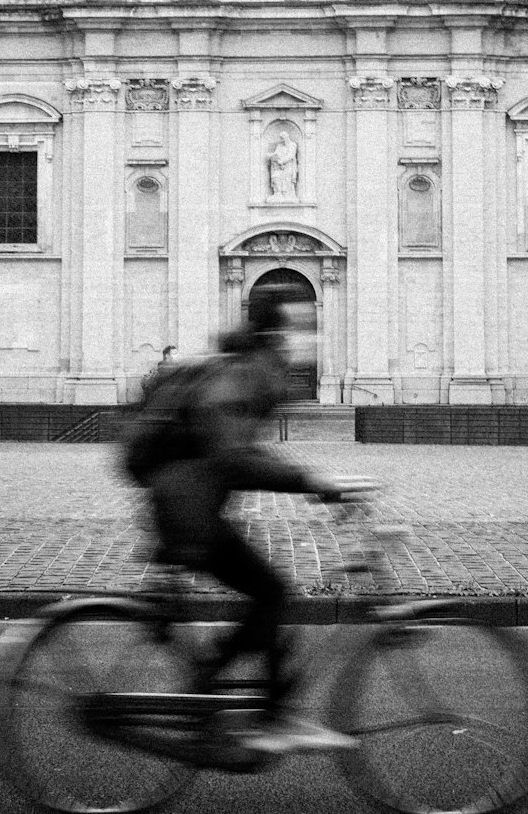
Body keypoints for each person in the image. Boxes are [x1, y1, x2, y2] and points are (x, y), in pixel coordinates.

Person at [130, 285, 367, 755]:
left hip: (189, 504)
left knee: (265, 590)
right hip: (186, 511)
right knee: (273, 591)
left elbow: (239, 452)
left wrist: (316, 482)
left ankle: (224, 685)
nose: (304, 342)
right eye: (296, 331)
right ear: (273, 335)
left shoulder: (245, 375)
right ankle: (267, 711)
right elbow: (236, 456)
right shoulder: (238, 380)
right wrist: (315, 483)